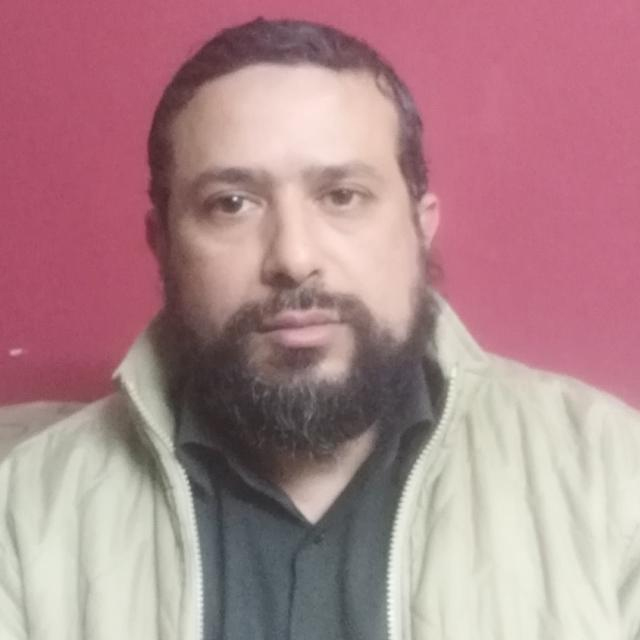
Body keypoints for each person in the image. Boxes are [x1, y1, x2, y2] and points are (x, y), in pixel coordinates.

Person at [1, 17, 639, 640]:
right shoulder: (23, 517)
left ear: (421, 227)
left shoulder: (612, 476)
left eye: (342, 195)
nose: (293, 256)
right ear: (162, 243)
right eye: (231, 204)